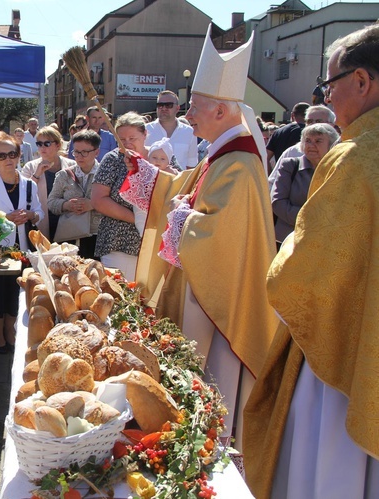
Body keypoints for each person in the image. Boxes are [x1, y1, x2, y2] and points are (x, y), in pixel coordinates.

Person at [120, 26, 278, 446]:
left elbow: (216, 234)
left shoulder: (240, 164)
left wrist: (182, 217)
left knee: (215, 381)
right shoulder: (222, 156)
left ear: (223, 111)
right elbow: (185, 189)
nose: (189, 115)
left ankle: (212, 446)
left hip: (218, 302)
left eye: (196, 106)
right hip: (199, 286)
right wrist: (149, 176)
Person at [245, 23, 379, 499]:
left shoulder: (355, 157)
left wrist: (274, 277)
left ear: (361, 82)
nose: (327, 97)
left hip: (339, 349)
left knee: (327, 467)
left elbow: (308, 268)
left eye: (329, 86)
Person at [0, 134, 43, 353]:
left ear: (19, 155)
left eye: (12, 154)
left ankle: (11, 329)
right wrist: (6, 218)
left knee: (16, 291)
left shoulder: (29, 185)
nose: (8, 159)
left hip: (22, 250)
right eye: (1, 156)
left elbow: (40, 213)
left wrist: (31, 214)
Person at [90, 113, 145, 278]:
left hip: (153, 243)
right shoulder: (112, 159)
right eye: (122, 139)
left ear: (144, 135)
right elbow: (98, 200)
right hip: (118, 242)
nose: (127, 144)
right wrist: (138, 219)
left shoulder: (159, 155)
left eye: (132, 138)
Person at [271, 123, 339, 245]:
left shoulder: (337, 169)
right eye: (307, 141)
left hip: (324, 241)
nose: (312, 145)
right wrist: (311, 219)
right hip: (288, 240)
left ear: (331, 145)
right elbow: (278, 202)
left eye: (318, 141)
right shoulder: (289, 165)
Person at [47, 129, 102, 258]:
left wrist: (93, 204)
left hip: (99, 237)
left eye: (84, 152)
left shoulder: (106, 175)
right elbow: (51, 202)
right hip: (70, 237)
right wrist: (66, 205)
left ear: (97, 152)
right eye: (76, 152)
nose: (79, 156)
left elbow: (115, 203)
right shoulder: (63, 175)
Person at [21, 126, 77, 240]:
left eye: (47, 143)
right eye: (39, 144)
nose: (42, 147)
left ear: (58, 145)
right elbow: (23, 193)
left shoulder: (72, 165)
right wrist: (37, 174)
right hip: (42, 220)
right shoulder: (30, 167)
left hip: (67, 218)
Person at [267, 105, 337, 189]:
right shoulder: (292, 152)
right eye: (310, 122)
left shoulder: (339, 151)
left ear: (332, 125)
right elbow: (272, 185)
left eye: (319, 121)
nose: (313, 125)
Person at [145, 91, 198, 170]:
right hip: (152, 181)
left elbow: (191, 165)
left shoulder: (189, 132)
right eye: (160, 105)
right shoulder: (145, 130)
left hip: (179, 181)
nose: (163, 108)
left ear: (177, 108)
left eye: (168, 105)